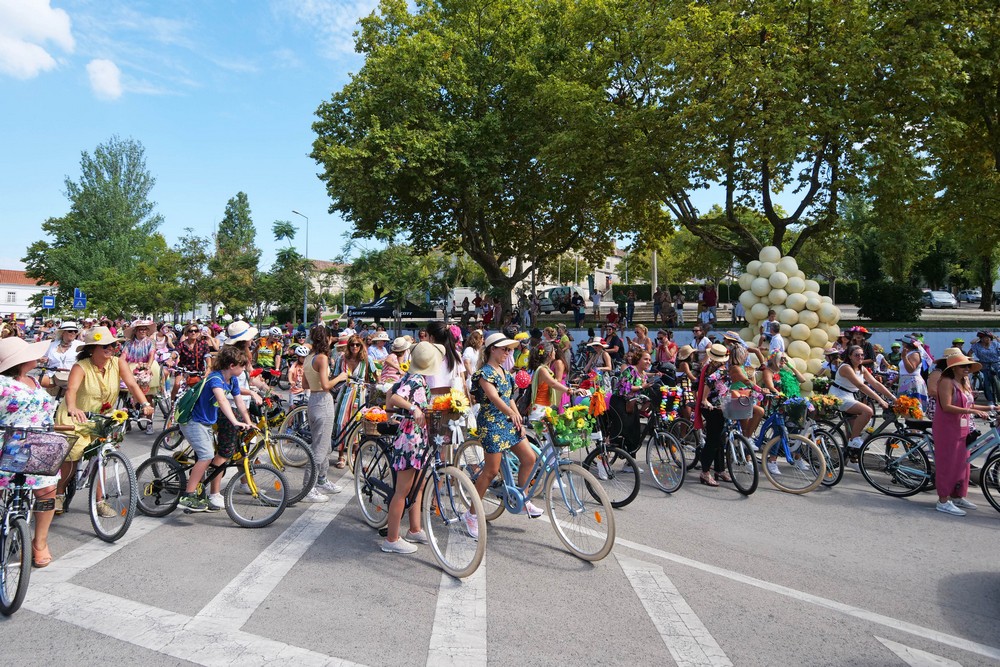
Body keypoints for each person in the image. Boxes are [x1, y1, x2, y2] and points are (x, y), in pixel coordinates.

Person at [54, 326, 155, 513]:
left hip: (102, 418)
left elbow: (132, 384)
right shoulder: (81, 366)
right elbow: (72, 390)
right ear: (92, 349)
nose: (110, 348)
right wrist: (73, 407)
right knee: (74, 454)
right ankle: (59, 494)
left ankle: (100, 502)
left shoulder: (118, 363)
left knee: (103, 456)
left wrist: (144, 404)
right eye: (104, 346)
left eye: (112, 345)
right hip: (76, 416)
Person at [465, 333, 544, 537]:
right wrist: (510, 413)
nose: (508, 353)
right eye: (504, 349)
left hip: (507, 421)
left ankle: (523, 496)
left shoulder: (505, 372)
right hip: (491, 423)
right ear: (493, 349)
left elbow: (508, 398)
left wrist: (516, 416)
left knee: (530, 458)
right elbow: (493, 397)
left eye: (509, 350)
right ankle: (472, 514)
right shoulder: (484, 373)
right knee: (490, 471)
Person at [0, 337, 67, 568]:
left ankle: (40, 542)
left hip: (39, 446)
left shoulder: (34, 381)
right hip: (7, 446)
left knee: (47, 490)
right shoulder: (1, 383)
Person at [381, 341, 445, 553]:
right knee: (403, 490)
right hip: (411, 437)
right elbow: (398, 397)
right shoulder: (416, 379)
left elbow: (392, 392)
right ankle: (391, 539)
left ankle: (414, 529)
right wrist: (413, 409)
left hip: (418, 436)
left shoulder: (415, 377)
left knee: (417, 486)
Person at [176, 345, 255, 512]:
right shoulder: (215, 379)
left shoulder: (231, 380)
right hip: (193, 422)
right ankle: (188, 495)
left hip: (206, 423)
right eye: (242, 365)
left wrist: (248, 421)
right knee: (206, 455)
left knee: (206, 455)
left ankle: (200, 492)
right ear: (232, 366)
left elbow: (239, 402)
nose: (244, 369)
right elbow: (223, 401)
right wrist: (235, 422)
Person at [932, 354, 990, 516]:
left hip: (962, 427)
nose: (967, 369)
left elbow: (970, 404)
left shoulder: (964, 382)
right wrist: (973, 411)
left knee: (963, 463)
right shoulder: (946, 382)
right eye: (963, 366)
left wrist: (991, 408)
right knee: (948, 464)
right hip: (947, 428)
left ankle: (957, 495)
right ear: (953, 368)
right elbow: (947, 406)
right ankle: (943, 500)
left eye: (968, 367)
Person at [828, 344, 896, 464]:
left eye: (862, 355)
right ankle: (854, 440)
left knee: (854, 430)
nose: (860, 357)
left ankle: (852, 460)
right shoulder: (846, 367)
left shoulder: (862, 368)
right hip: (838, 397)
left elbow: (876, 384)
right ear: (850, 356)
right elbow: (861, 386)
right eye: (856, 355)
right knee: (868, 411)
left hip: (849, 396)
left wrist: (893, 397)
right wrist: (880, 400)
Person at [302, 325, 348, 500]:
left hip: (312, 401)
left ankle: (321, 479)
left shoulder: (308, 358)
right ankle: (309, 487)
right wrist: (340, 377)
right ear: (327, 338)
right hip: (323, 401)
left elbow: (305, 385)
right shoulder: (321, 358)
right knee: (320, 448)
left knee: (325, 445)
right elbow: (326, 385)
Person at [331, 334, 376, 468]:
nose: (354, 347)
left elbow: (375, 377)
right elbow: (335, 375)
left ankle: (355, 456)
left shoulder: (366, 360)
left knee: (357, 425)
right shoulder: (342, 359)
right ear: (348, 346)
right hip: (344, 393)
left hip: (360, 395)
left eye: (357, 345)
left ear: (361, 346)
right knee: (340, 423)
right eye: (352, 344)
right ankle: (341, 455)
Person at [693, 344, 732, 487]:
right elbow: (706, 385)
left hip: (720, 407)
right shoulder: (718, 372)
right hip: (713, 409)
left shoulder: (708, 369)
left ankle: (720, 469)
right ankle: (705, 472)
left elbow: (695, 385)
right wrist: (704, 400)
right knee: (713, 440)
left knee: (720, 439)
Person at [121, 319, 161, 434]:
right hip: (132, 366)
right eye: (140, 329)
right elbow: (124, 356)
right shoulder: (129, 343)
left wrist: (148, 367)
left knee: (148, 397)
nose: (143, 331)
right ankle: (127, 421)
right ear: (135, 331)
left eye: (145, 329)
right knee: (127, 396)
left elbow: (152, 355)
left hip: (147, 365)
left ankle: (149, 423)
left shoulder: (150, 342)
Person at [525, 342, 576, 422]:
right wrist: (570, 391)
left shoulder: (543, 369)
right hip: (540, 409)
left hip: (543, 409)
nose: (555, 352)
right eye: (554, 350)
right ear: (549, 354)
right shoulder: (542, 370)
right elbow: (553, 383)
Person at [41, 321, 82, 397]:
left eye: (75, 331)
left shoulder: (80, 345)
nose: (73, 333)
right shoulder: (52, 345)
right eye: (70, 331)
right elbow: (42, 357)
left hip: (71, 376)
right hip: (52, 376)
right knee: (33, 381)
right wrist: (42, 359)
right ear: (62, 332)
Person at [897, 335, 929, 410]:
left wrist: (904, 357)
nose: (902, 344)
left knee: (913, 408)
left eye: (903, 343)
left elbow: (911, 370)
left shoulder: (915, 354)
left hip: (912, 383)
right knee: (906, 409)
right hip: (905, 382)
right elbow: (903, 371)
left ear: (906, 344)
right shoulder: (908, 353)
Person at [969, 330, 1000, 405]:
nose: (987, 339)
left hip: (996, 364)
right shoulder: (976, 345)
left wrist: (995, 336)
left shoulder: (995, 344)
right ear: (981, 339)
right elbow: (969, 353)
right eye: (985, 338)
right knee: (987, 382)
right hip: (984, 365)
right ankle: (990, 400)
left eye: (989, 337)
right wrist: (972, 361)